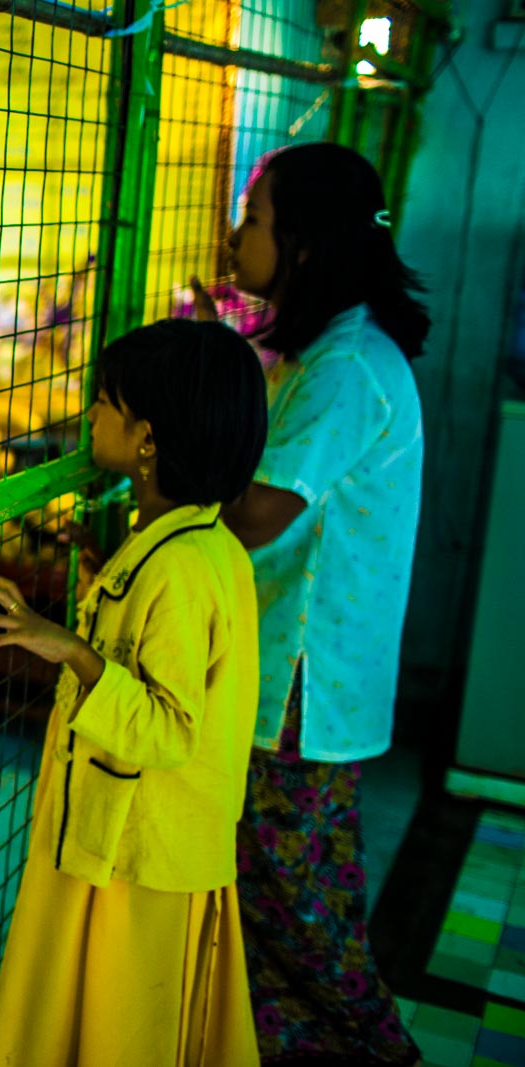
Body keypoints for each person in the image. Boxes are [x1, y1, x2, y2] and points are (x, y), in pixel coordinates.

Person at [0, 318, 269, 1067]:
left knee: (124, 1032)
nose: (88, 415)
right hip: (129, 848)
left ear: (147, 439)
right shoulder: (194, 543)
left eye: (104, 401)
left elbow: (170, 728)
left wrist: (68, 646)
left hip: (142, 863)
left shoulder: (182, 567)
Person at [192, 142, 429, 1065]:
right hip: (295, 678)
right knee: (265, 920)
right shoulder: (332, 350)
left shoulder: (346, 365)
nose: (236, 232)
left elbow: (256, 511)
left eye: (253, 218)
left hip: (300, 691)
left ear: (303, 243)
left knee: (308, 926)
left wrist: (163, 442)